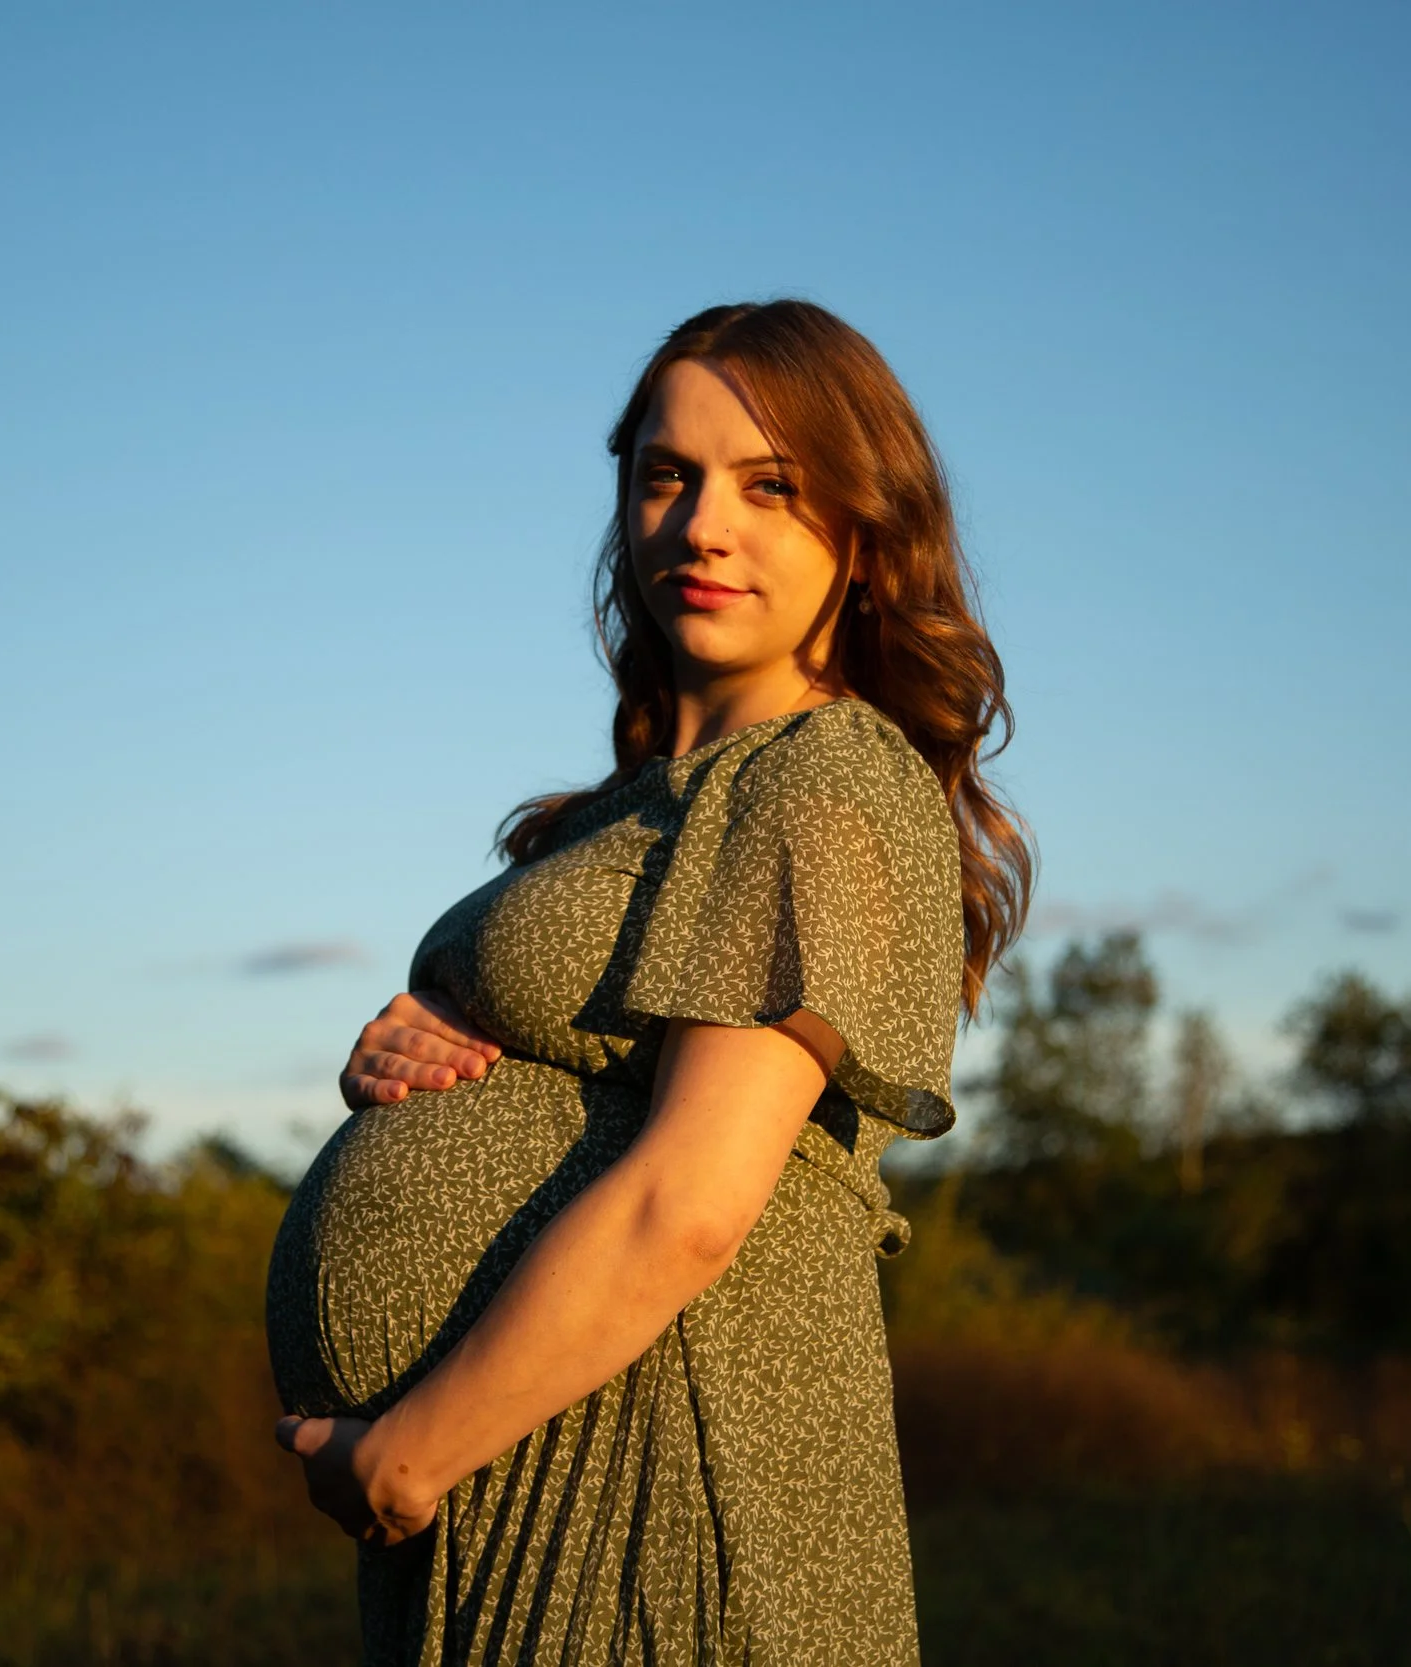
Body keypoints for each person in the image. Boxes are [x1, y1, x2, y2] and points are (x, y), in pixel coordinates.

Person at [264, 299, 1031, 1666]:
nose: (703, 524)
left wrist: (406, 1459)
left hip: (670, 1486)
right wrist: (411, 1053)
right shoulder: (626, 809)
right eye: (665, 475)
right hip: (533, 1472)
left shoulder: (827, 776)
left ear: (863, 533)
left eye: (771, 487)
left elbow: (689, 1197)